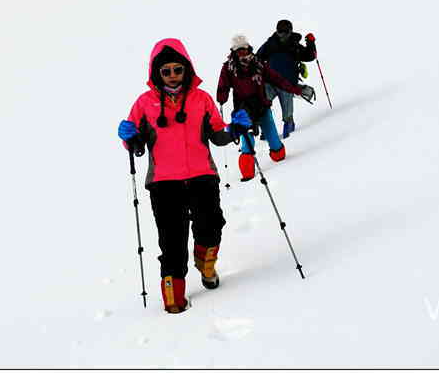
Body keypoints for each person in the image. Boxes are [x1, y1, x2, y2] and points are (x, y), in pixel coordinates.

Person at [117, 38, 252, 314]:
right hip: (163, 184)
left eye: (177, 69)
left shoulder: (201, 99)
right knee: (171, 241)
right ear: (156, 73)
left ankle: (206, 265)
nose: (172, 76)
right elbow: (138, 144)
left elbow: (217, 134)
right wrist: (130, 139)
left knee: (211, 226)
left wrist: (235, 129)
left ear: (186, 68)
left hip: (203, 176)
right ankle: (174, 299)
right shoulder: (144, 104)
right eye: (166, 71)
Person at [217, 35, 315, 182]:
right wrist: (222, 97)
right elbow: (223, 87)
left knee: (275, 144)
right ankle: (247, 175)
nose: (242, 53)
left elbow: (277, 79)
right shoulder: (228, 68)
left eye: (243, 49)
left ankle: (278, 155)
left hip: (262, 107)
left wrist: (295, 89)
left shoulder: (258, 64)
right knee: (247, 144)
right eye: (238, 51)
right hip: (243, 112)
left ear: (248, 48)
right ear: (233, 52)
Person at [256, 19, 318, 139]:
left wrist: (311, 43)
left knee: (274, 106)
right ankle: (270, 127)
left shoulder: (291, 45)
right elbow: (257, 58)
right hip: (275, 82)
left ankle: (284, 126)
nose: (282, 34)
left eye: (285, 31)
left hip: (285, 84)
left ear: (290, 31)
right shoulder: (271, 44)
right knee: (263, 105)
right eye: (280, 31)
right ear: (277, 31)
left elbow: (310, 56)